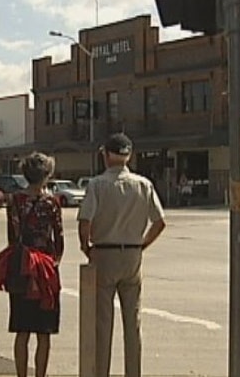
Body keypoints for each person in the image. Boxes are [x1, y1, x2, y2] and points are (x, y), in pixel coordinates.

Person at [77, 133, 166, 377]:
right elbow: (159, 222)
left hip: (104, 252)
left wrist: (86, 247)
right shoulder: (143, 184)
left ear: (106, 155)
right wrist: (142, 244)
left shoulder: (97, 184)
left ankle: (101, 372)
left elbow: (85, 220)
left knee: (103, 323)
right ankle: (133, 372)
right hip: (132, 255)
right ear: (129, 156)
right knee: (132, 321)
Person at [6, 152, 63, 377]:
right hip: (46, 268)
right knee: (44, 331)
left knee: (22, 329)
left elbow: (12, 236)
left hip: (22, 265)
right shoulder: (52, 202)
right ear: (47, 175)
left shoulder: (15, 201)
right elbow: (58, 240)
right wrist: (52, 261)